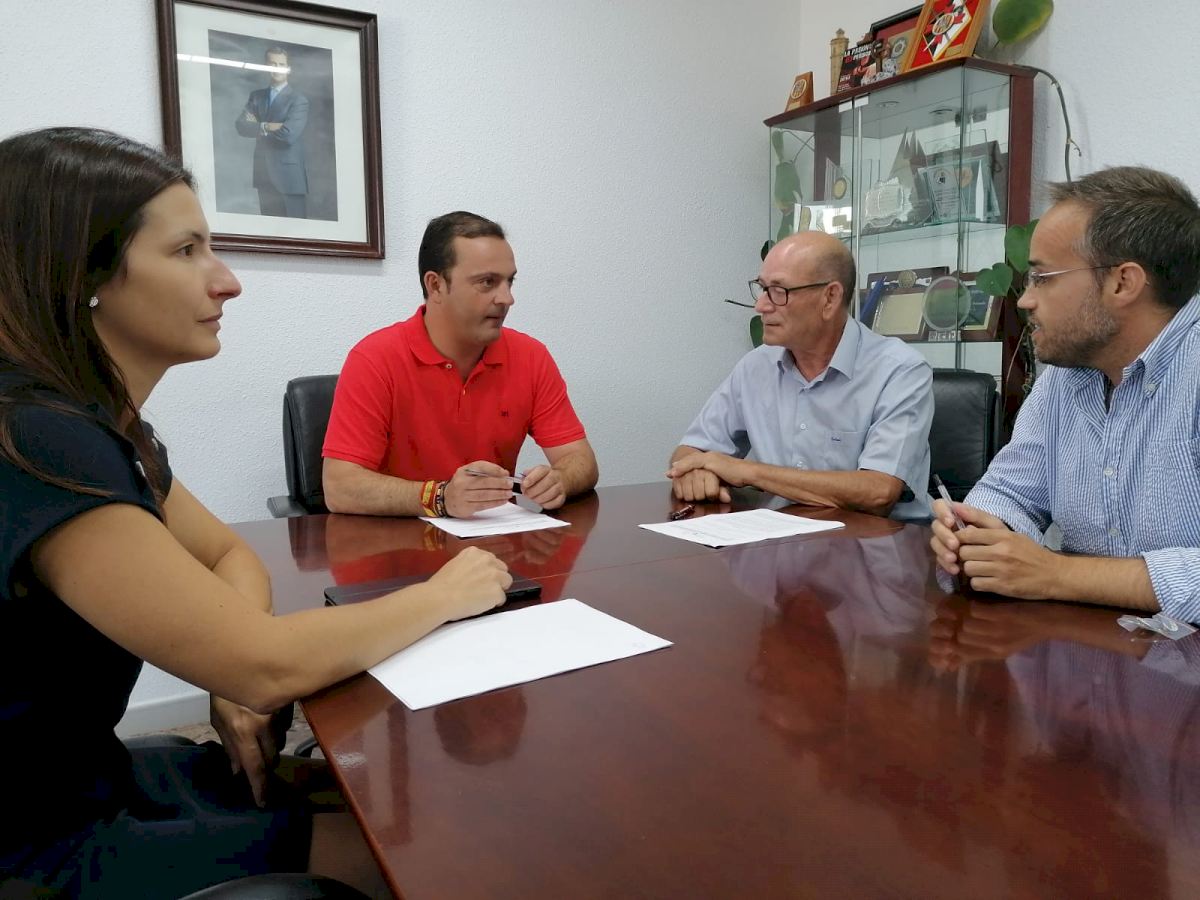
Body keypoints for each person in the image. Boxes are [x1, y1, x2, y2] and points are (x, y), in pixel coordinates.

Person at [0, 127, 510, 898]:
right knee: (422, 856)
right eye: (187, 251)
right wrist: (445, 594)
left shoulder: (104, 431)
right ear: (82, 277)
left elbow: (230, 557)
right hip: (38, 844)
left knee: (364, 794)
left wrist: (231, 676)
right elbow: (270, 663)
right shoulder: (39, 442)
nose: (228, 281)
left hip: (84, 777)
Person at [930, 166, 1200, 623]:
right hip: (1087, 643)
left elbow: (1052, 575)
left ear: (1123, 282)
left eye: (1043, 278)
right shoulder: (1066, 373)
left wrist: (1058, 574)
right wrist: (976, 532)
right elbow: (1010, 491)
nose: (1024, 300)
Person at [322, 211, 599, 517]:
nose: (507, 298)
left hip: (496, 537)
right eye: (487, 282)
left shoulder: (531, 356)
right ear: (436, 286)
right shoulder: (374, 359)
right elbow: (339, 487)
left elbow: (581, 460)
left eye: (509, 281)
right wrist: (440, 497)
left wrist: (560, 480)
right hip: (398, 539)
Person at [668, 231, 933, 520]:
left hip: (878, 541)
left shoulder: (900, 370)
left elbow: (879, 491)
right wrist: (694, 474)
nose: (761, 306)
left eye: (779, 291)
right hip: (780, 536)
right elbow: (690, 451)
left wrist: (748, 472)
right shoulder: (756, 366)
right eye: (762, 288)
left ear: (830, 298)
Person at [234, 46, 309, 218]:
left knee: (295, 230)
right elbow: (241, 125)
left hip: (289, 178)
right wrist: (267, 126)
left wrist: (257, 125)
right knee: (269, 229)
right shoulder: (256, 96)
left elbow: (288, 135)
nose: (277, 68)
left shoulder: (299, 100)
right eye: (272, 64)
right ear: (266, 66)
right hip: (263, 175)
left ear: (288, 68)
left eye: (281, 64)